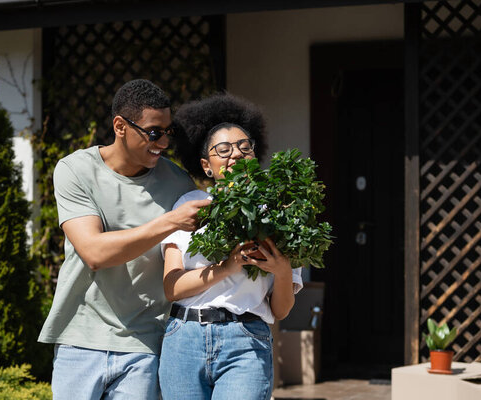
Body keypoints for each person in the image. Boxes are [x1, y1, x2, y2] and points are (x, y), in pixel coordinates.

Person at [38, 79, 211, 400]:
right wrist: (170, 221)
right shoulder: (76, 170)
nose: (163, 142)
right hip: (80, 338)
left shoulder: (177, 183)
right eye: (154, 132)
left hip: (146, 342)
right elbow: (93, 252)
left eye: (168, 132)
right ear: (120, 126)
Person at [158, 93, 303, 400]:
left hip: (246, 339)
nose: (235, 155)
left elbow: (281, 309)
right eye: (223, 150)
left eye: (244, 147)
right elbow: (172, 287)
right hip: (184, 339)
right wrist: (228, 266)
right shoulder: (189, 207)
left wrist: (282, 269)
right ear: (206, 166)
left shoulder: (278, 213)